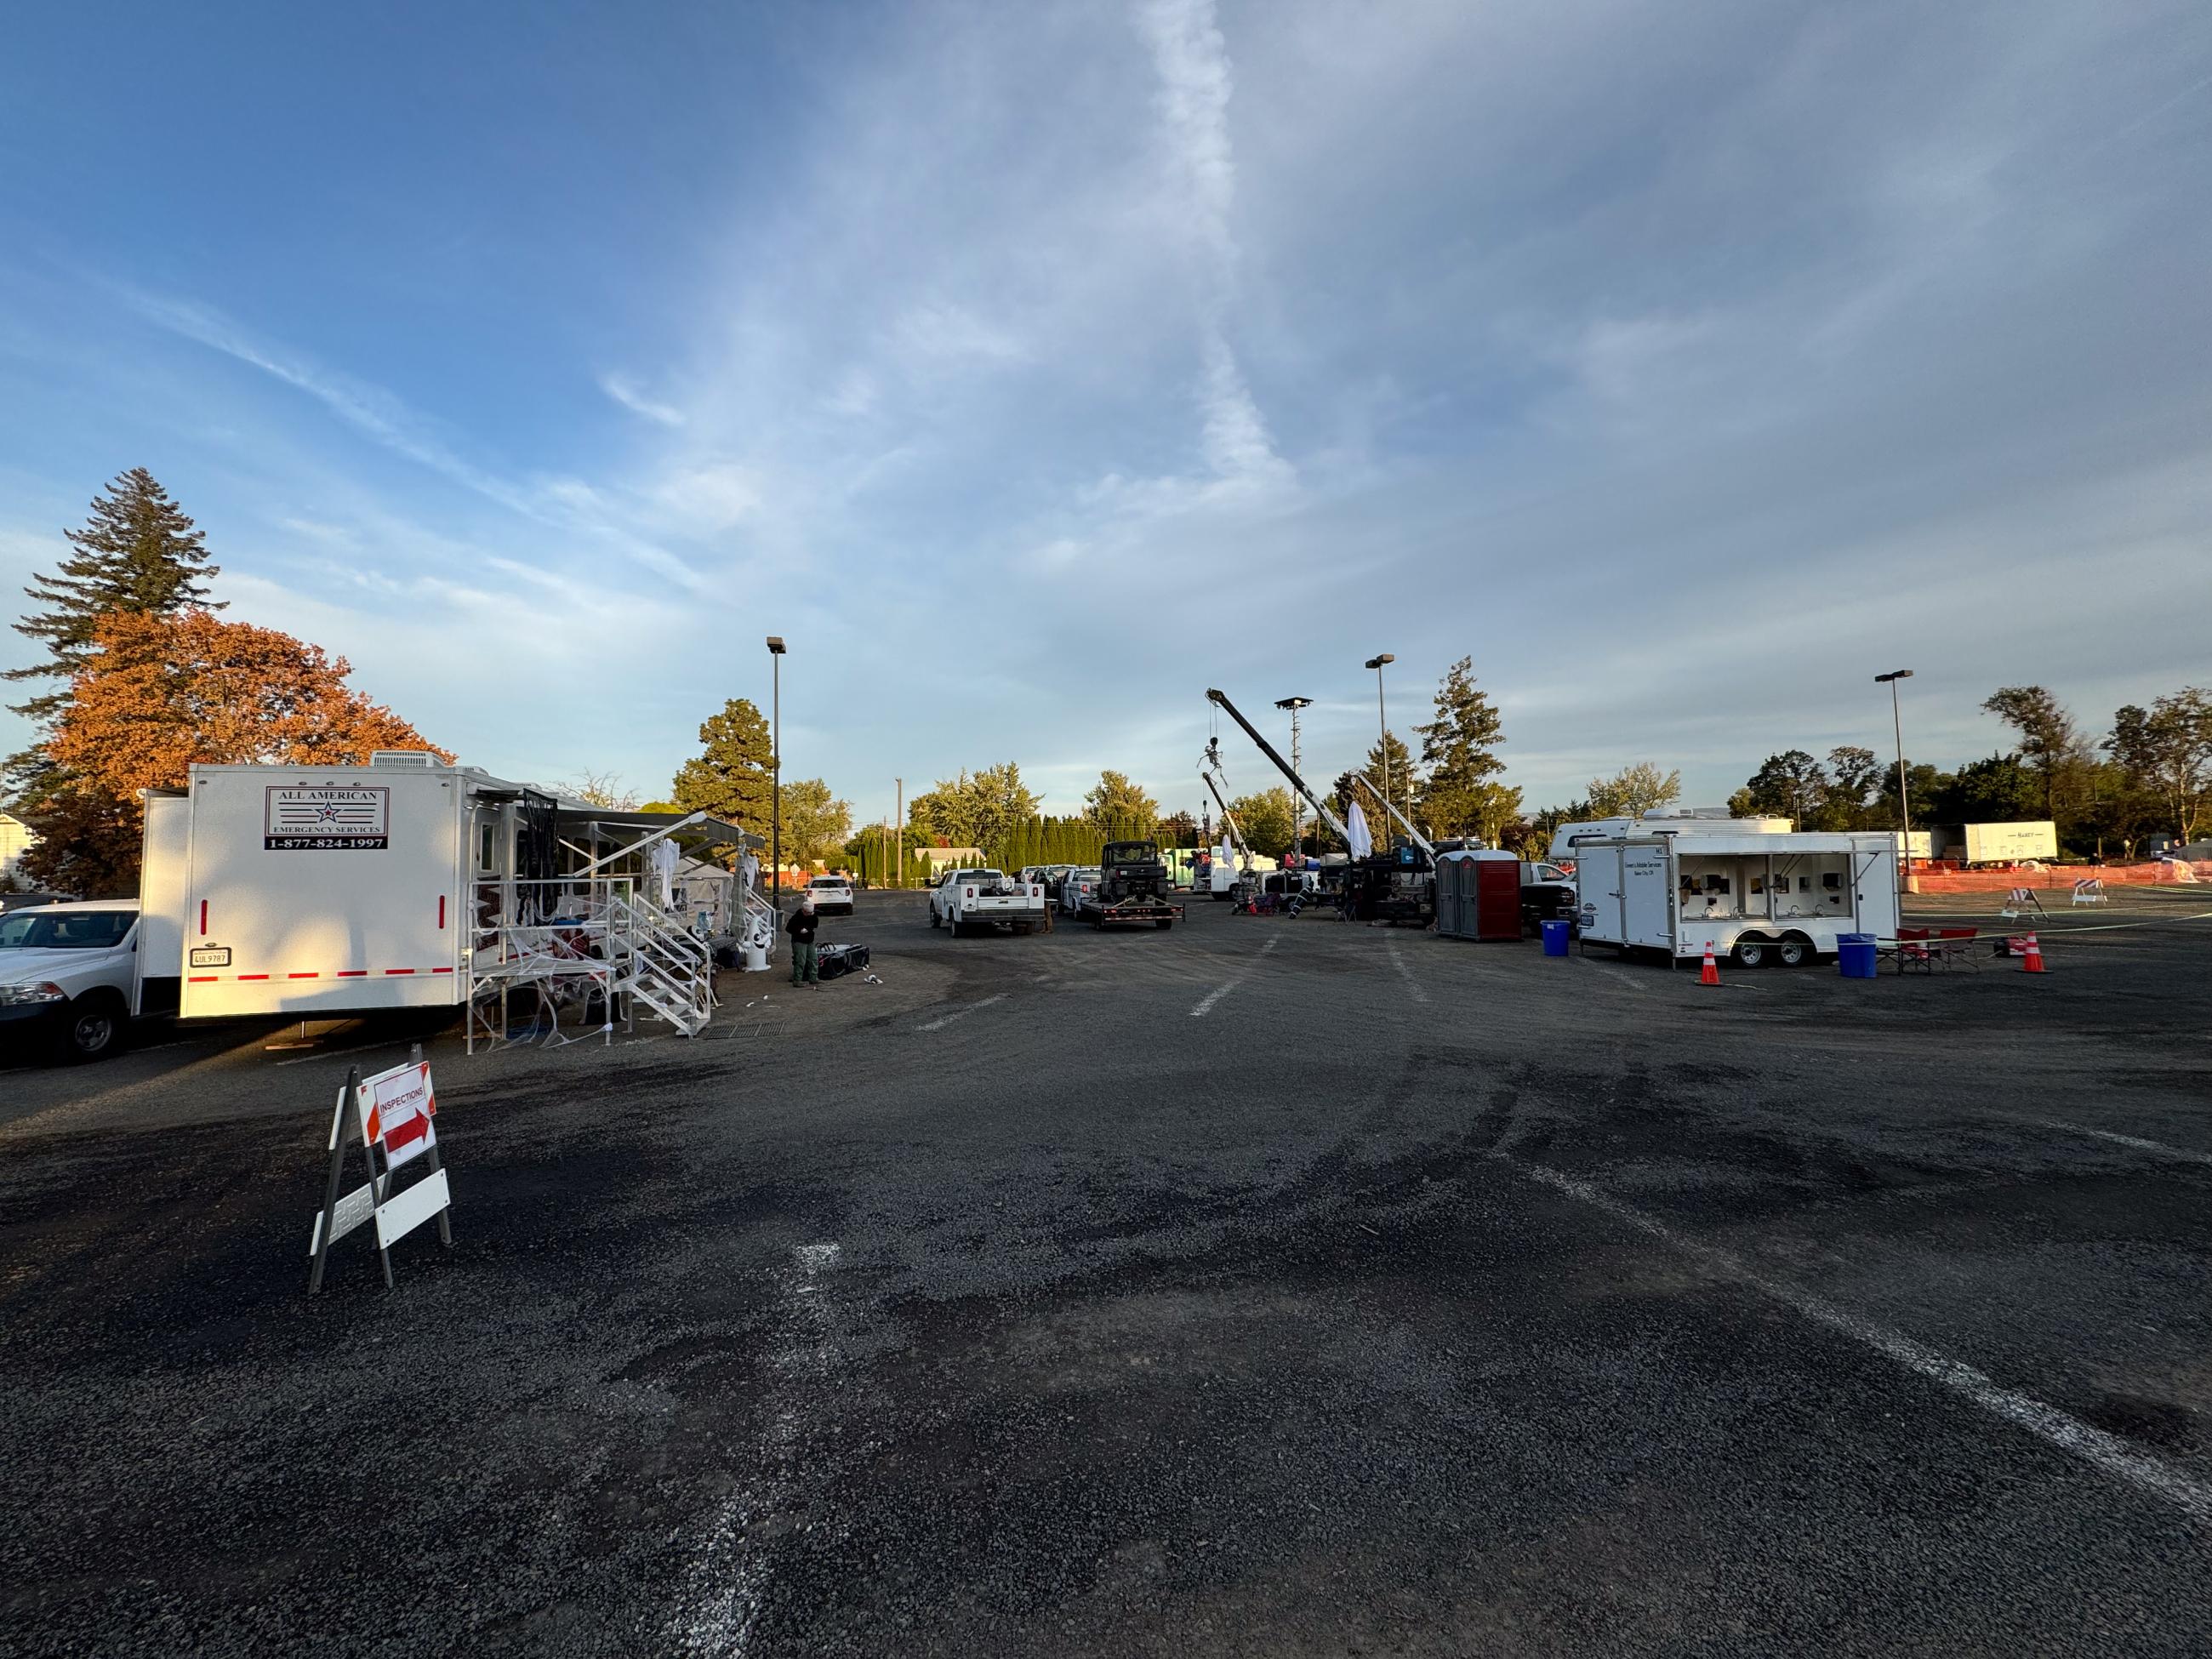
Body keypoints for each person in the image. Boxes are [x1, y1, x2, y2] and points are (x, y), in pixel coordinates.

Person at [786, 894, 821, 988]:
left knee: (813, 959)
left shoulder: (812, 916)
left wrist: (808, 927)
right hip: (799, 941)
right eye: (808, 913)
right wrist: (799, 930)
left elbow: (815, 924)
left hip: (809, 940)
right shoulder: (796, 918)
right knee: (800, 960)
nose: (810, 914)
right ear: (804, 911)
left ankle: (813, 977)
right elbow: (788, 928)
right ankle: (797, 980)